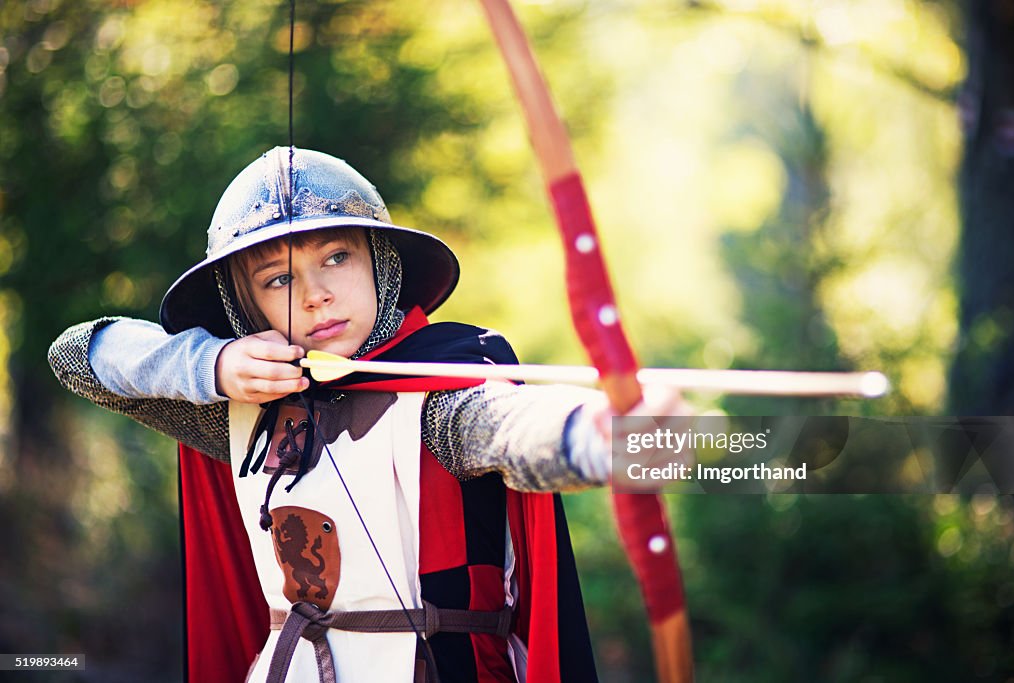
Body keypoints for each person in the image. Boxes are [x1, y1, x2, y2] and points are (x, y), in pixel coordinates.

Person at [49, 147, 682, 683]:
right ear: (246, 306)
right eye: (277, 280)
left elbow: (505, 427)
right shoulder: (239, 412)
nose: (315, 294)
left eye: (336, 258)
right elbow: (76, 354)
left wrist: (601, 438)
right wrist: (209, 366)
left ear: (379, 262)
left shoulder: (439, 387)